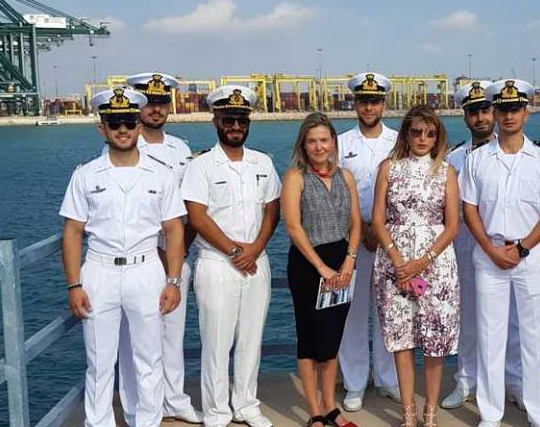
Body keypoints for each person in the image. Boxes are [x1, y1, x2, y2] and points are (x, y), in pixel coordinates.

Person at [60, 87, 185, 427]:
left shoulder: (160, 174)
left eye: (129, 122)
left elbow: (174, 230)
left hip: (146, 270)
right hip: (99, 271)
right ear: (102, 128)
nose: (123, 130)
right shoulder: (85, 175)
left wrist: (173, 280)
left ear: (139, 126)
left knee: (149, 359)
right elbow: (72, 232)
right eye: (114, 123)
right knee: (99, 362)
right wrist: (74, 284)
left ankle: (146, 421)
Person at [461, 79, 540, 427]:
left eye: (515, 108)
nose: (508, 115)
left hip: (529, 256)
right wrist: (490, 249)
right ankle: (491, 414)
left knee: (535, 338)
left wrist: (522, 247)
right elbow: (469, 209)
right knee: (490, 337)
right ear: (495, 112)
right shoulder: (477, 160)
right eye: (501, 108)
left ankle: (539, 414)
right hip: (488, 257)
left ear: (527, 112)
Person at [181, 85, 282, 427]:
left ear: (248, 122)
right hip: (217, 263)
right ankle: (216, 411)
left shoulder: (263, 163)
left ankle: (246, 405)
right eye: (228, 119)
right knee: (216, 341)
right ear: (215, 120)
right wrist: (236, 251)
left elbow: (273, 210)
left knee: (251, 338)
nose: (235, 126)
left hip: (257, 261)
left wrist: (255, 249)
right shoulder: (201, 166)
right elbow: (197, 217)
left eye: (241, 119)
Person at [114, 71, 202, 425]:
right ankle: (136, 407)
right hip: (138, 255)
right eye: (149, 102)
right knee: (133, 337)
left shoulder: (180, 148)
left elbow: (191, 207)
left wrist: (177, 255)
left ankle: (174, 399)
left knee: (171, 334)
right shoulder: (123, 144)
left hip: (176, 255)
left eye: (162, 101)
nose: (155, 109)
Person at [372, 105, 461, 427]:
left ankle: (430, 412)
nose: (423, 138)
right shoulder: (389, 168)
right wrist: (399, 262)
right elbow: (379, 221)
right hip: (393, 265)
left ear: (438, 137)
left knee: (435, 340)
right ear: (406, 133)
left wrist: (422, 261)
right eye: (416, 131)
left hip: (436, 265)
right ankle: (408, 412)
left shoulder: (447, 171)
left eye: (430, 133)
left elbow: (452, 226)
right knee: (402, 339)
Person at [442, 81, 525, 411]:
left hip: (506, 246)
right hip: (464, 246)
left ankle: (515, 380)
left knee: (515, 317)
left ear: (495, 111)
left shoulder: (511, 152)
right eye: (472, 111)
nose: (480, 117)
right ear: (464, 117)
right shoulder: (452, 159)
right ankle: (466, 379)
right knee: (468, 317)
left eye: (485, 110)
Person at [281, 113, 362, 427]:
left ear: (333, 143)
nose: (318, 146)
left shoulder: (347, 176)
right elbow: (293, 226)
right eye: (312, 140)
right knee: (309, 338)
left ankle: (331, 406)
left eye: (324, 140)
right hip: (307, 264)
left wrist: (350, 259)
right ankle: (314, 410)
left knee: (331, 337)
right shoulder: (295, 177)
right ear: (304, 144)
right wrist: (322, 268)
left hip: (342, 262)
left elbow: (356, 221)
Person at [337, 72, 401, 411]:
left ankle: (389, 380)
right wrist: (363, 229)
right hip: (354, 241)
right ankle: (355, 383)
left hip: (391, 241)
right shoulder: (341, 143)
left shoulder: (400, 141)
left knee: (389, 313)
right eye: (363, 100)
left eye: (374, 100)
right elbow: (334, 193)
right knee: (354, 313)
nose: (369, 106)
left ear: (384, 103)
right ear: (355, 103)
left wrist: (383, 231)